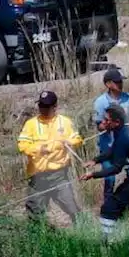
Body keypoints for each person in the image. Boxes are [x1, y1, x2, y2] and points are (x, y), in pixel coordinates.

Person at [81, 106, 129, 239]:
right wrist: (95, 160)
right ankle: (119, 241)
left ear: (116, 122)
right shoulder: (120, 132)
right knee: (122, 212)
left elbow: (116, 168)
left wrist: (93, 175)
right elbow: (113, 151)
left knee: (109, 209)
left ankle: (107, 244)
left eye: (106, 120)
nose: (103, 122)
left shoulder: (124, 138)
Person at [17, 90, 84, 223]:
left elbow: (78, 139)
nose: (42, 109)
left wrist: (70, 142)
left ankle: (84, 232)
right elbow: (22, 145)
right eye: (41, 106)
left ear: (55, 107)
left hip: (59, 176)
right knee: (34, 212)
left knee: (73, 209)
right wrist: (38, 149)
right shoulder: (31, 124)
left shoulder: (64, 122)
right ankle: (38, 238)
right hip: (37, 177)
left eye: (46, 107)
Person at [91, 68, 129, 207]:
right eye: (117, 82)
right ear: (108, 84)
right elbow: (99, 126)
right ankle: (108, 207)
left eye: (121, 81)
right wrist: (109, 125)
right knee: (110, 178)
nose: (121, 84)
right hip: (109, 147)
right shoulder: (100, 102)